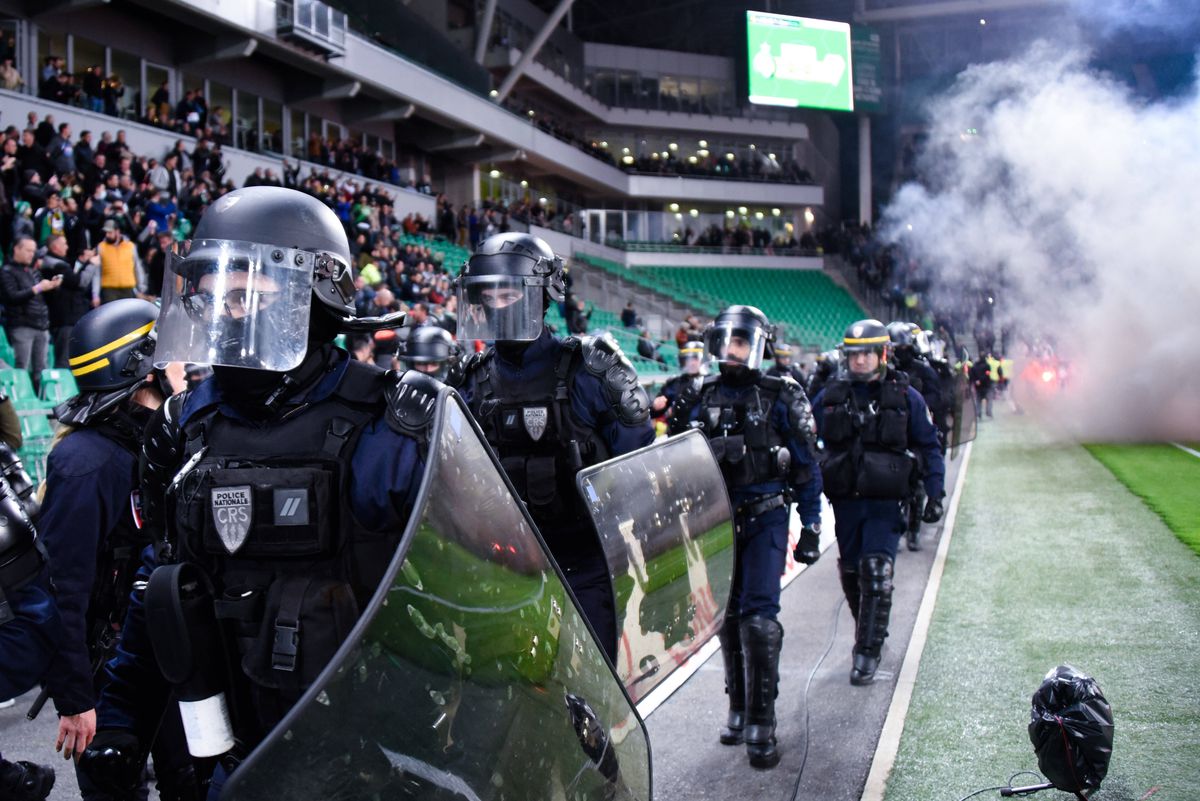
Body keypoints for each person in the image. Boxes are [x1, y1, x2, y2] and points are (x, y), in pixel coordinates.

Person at [88, 187, 431, 798]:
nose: (229, 315)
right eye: (218, 296)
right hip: (237, 756)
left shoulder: (392, 423)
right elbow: (162, 588)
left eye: (251, 296)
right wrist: (121, 726)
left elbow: (467, 588)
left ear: (319, 294)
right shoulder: (183, 426)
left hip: (377, 754)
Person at [452, 232, 653, 662]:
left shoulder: (592, 369)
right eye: (487, 293)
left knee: (593, 692)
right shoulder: (469, 380)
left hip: (585, 558)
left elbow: (639, 463)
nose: (495, 304)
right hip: (506, 565)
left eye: (508, 291)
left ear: (541, 294)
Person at [35, 299, 200, 799]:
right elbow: (61, 592)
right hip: (108, 672)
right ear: (141, 366)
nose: (184, 364)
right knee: (115, 784)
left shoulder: (163, 441)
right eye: (170, 354)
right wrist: (75, 698)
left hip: (168, 652)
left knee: (191, 780)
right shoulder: (84, 464)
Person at [671, 305, 822, 769]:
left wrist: (812, 524)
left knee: (758, 620)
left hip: (767, 517)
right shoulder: (702, 394)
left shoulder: (782, 394)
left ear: (757, 346)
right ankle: (737, 707)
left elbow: (806, 464)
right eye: (727, 342)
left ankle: (763, 719)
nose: (731, 351)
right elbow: (677, 455)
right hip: (717, 522)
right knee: (729, 620)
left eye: (741, 342)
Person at [810, 320, 945, 686]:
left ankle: (867, 650)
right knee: (853, 570)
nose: (860, 360)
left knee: (876, 569)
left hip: (886, 502)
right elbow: (803, 430)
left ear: (882, 354)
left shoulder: (905, 396)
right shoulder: (831, 395)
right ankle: (868, 629)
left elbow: (929, 444)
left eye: (867, 353)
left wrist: (936, 492)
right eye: (854, 354)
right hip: (846, 502)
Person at [0, 236, 61, 389]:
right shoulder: (6, 271)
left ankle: (43, 405)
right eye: (28, 250)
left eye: (33, 251)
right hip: (22, 326)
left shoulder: (32, 271)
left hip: (41, 326)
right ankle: (21, 404)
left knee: (41, 370)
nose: (31, 254)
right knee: (23, 368)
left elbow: (41, 298)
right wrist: (38, 288)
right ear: (16, 249)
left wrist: (52, 286)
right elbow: (12, 297)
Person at [652, 340, 703, 434]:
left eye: (696, 358)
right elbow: (653, 412)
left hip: (704, 436)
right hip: (678, 436)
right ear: (683, 361)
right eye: (689, 359)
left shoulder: (713, 383)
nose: (692, 363)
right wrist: (655, 406)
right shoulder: (674, 383)